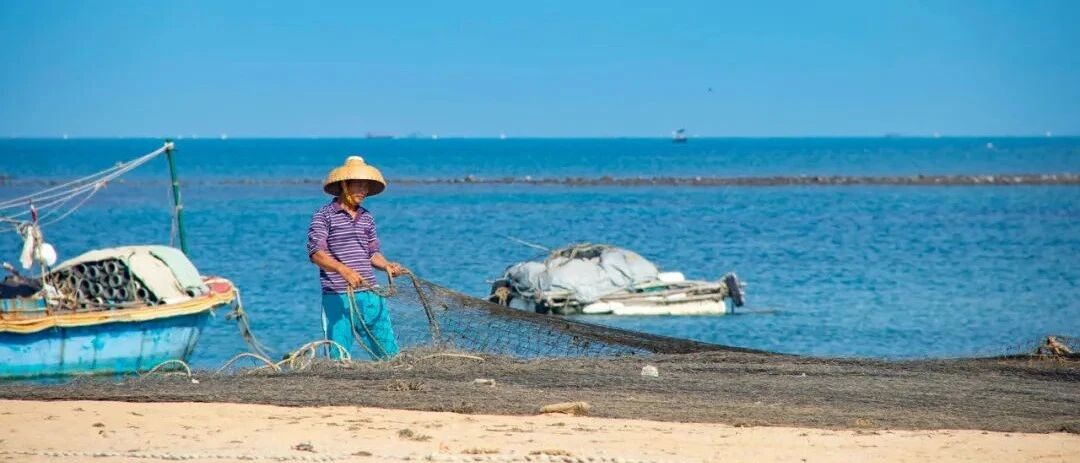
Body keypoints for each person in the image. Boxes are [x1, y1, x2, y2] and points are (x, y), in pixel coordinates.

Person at [306, 156, 406, 360]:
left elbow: (372, 253)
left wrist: (387, 265)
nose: (364, 190)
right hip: (337, 296)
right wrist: (344, 270)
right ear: (344, 185)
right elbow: (316, 254)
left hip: (370, 295)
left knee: (389, 355)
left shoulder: (367, 217)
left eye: (366, 186)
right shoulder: (323, 215)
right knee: (338, 356)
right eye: (359, 185)